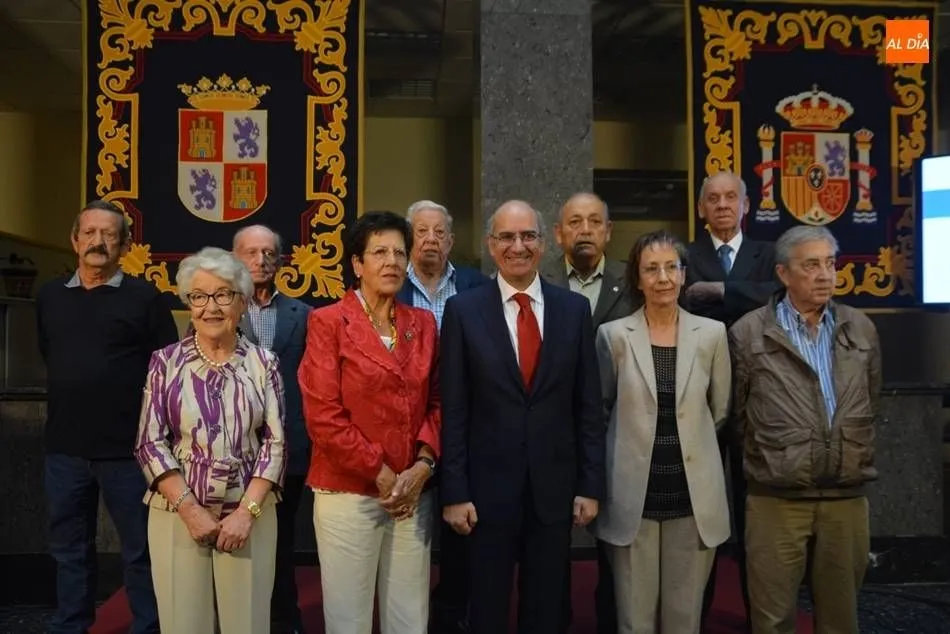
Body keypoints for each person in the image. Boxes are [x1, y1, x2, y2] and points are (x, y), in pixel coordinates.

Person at [440, 200, 606, 634]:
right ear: (491, 246)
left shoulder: (573, 311)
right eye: (507, 238)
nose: (518, 246)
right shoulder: (463, 311)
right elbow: (454, 409)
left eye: (527, 236)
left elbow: (588, 407)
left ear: (545, 241)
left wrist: (590, 485)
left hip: (554, 490)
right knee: (488, 608)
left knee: (547, 608)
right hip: (485, 494)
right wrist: (454, 491)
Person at [729, 226, 880, 634]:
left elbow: (871, 397)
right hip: (776, 499)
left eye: (830, 264)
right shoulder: (748, 332)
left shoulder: (861, 328)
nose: (825, 275)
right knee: (773, 619)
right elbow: (737, 416)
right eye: (811, 265)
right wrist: (777, 457)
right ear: (783, 273)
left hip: (845, 498)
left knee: (841, 619)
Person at [36, 199, 178, 634]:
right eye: (90, 233)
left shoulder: (146, 298)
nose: (98, 242)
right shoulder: (49, 297)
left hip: (129, 452)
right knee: (69, 549)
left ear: (125, 244)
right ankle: (71, 625)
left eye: (109, 234)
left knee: (140, 550)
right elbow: (50, 354)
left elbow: (166, 371)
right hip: (64, 450)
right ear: (74, 240)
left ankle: (148, 627)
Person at [299, 211, 441, 634]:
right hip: (349, 493)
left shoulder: (424, 324)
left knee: (409, 617)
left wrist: (423, 466)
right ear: (357, 264)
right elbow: (323, 415)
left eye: (400, 252)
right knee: (349, 619)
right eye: (380, 252)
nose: (393, 261)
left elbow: (439, 401)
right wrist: (381, 475)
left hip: (413, 492)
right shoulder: (327, 322)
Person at [134, 246, 286, 633]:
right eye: (199, 296)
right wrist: (190, 509)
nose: (211, 307)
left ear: (242, 301)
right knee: (183, 623)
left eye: (223, 295)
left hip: (249, 514)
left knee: (247, 624)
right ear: (189, 302)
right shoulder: (164, 362)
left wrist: (246, 513)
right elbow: (150, 442)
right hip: (176, 513)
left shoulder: (264, 363)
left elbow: (275, 444)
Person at [592, 230, 732, 634]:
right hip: (633, 496)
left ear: (684, 275)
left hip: (692, 496)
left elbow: (720, 410)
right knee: (633, 620)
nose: (663, 278)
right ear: (637, 279)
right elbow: (601, 411)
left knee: (684, 619)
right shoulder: (614, 336)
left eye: (672, 267)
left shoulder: (711, 335)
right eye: (651, 269)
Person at [683, 171, 779, 630]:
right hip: (696, 397)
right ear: (701, 208)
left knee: (751, 514)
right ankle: (693, 616)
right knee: (699, 509)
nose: (721, 205)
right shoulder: (686, 256)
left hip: (756, 398)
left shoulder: (771, 255)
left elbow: (779, 301)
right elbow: (683, 303)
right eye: (712, 199)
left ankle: (757, 614)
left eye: (730, 198)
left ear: (746, 206)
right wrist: (747, 301)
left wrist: (722, 292)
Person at [395, 199, 488, 633]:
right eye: (421, 231)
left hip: (465, 421)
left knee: (461, 534)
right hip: (405, 421)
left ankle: (452, 613)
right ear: (408, 239)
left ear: (451, 240)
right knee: (408, 534)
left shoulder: (475, 285)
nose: (430, 239)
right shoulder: (391, 286)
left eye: (439, 232)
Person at [542, 191, 632, 634]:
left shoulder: (633, 284)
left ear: (608, 232)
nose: (585, 231)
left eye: (594, 222)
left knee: (614, 548)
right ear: (558, 235)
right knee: (550, 549)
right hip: (552, 436)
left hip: (618, 435)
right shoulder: (537, 286)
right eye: (574, 223)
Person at [232, 225, 313, 634]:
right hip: (234, 449)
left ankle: (284, 620)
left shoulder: (305, 315)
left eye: (269, 253)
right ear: (235, 260)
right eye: (251, 253)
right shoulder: (218, 311)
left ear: (281, 261)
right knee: (236, 537)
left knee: (281, 542)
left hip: (291, 447)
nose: (260, 260)